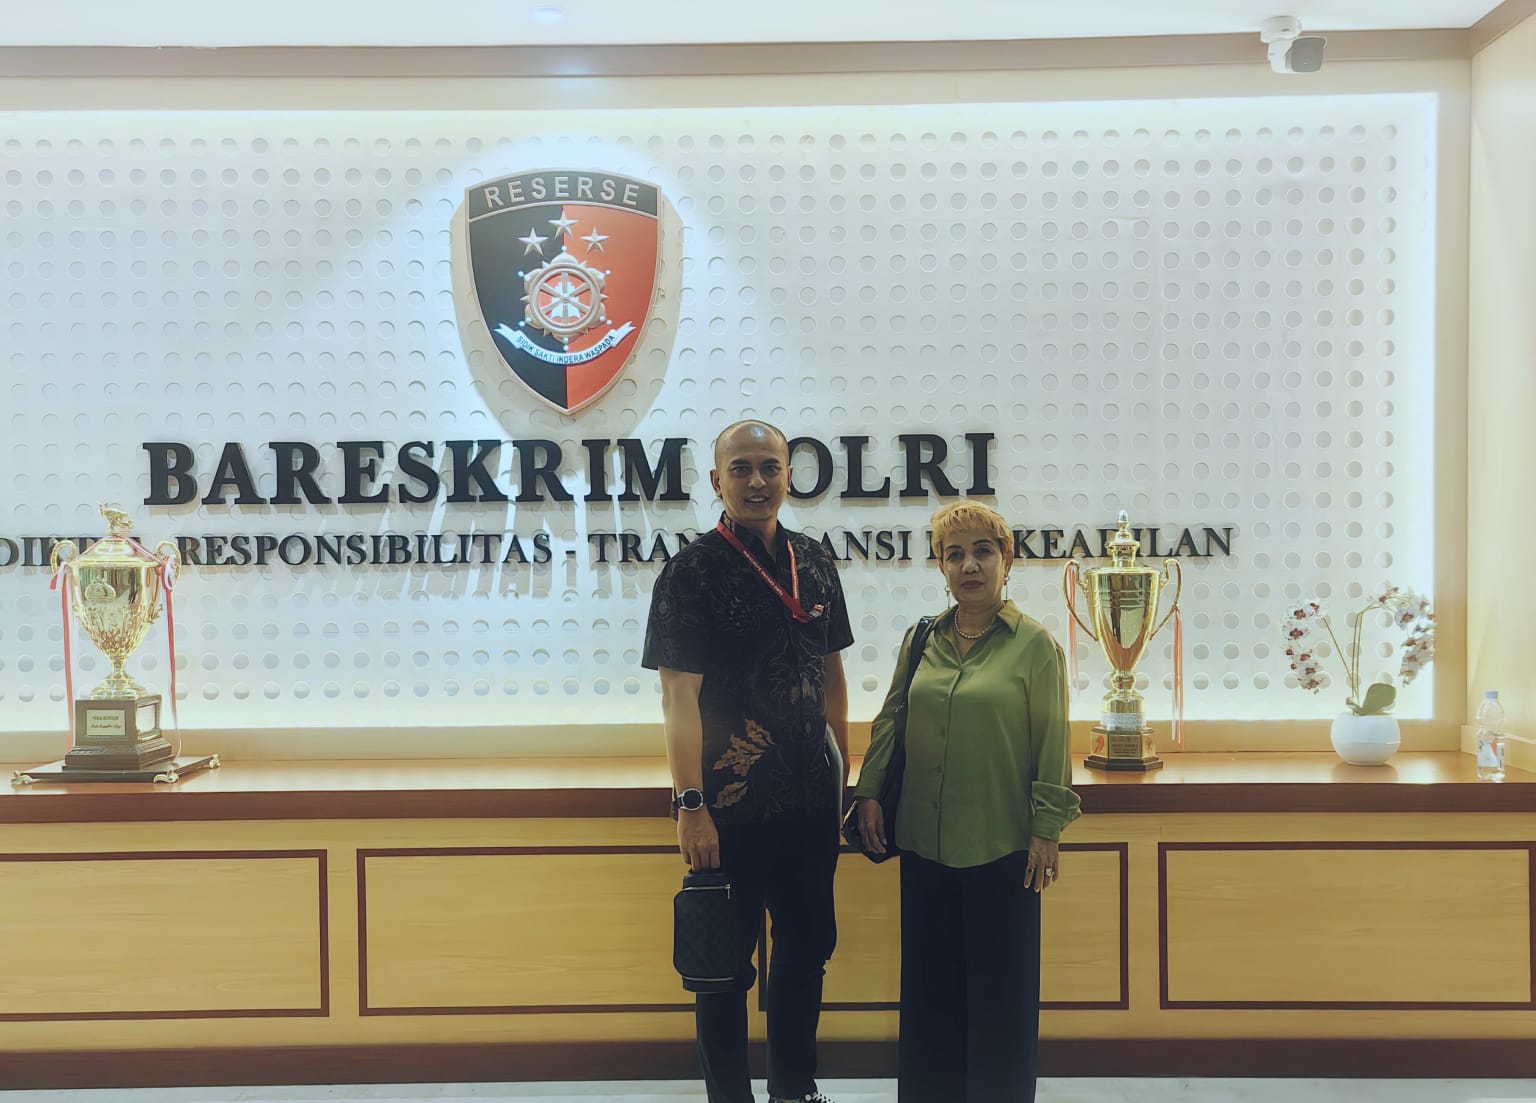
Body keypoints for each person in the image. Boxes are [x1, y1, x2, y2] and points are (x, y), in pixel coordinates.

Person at [643, 419, 854, 1103]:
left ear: (789, 475)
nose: (757, 480)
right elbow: (678, 696)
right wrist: (690, 804)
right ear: (717, 480)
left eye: (770, 467)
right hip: (728, 806)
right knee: (722, 968)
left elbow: (832, 676)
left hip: (810, 801)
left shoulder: (815, 561)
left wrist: (843, 780)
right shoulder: (690, 573)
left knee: (806, 950)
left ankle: (794, 1090)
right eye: (741, 468)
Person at [853, 500, 1080, 1103]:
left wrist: (1047, 829)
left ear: (1007, 559)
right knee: (930, 994)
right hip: (923, 842)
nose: (969, 565)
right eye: (954, 555)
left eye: (982, 551)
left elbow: (1052, 742)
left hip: (1001, 845)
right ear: (941, 567)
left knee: (1001, 997)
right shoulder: (921, 639)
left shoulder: (1035, 647)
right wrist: (869, 792)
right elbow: (892, 719)